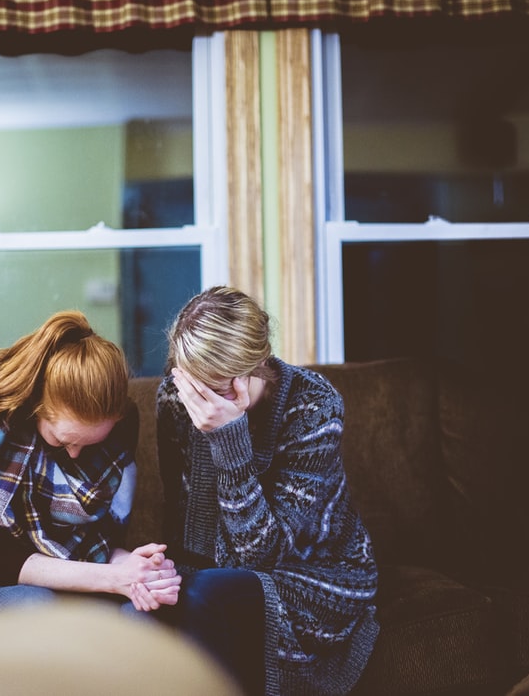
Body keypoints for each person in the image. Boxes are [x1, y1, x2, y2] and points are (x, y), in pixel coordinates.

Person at [156, 286, 379, 696]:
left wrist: (229, 438)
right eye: (193, 385)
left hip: (315, 574)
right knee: (157, 603)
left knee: (208, 596)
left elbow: (260, 557)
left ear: (256, 365)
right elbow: (183, 522)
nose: (200, 403)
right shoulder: (175, 397)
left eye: (216, 388)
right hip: (216, 572)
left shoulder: (313, 406)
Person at [0, 310, 180, 625]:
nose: (76, 455)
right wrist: (115, 579)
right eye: (62, 442)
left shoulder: (122, 424)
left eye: (89, 444)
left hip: (72, 578)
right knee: (39, 609)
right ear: (35, 407)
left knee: (143, 616)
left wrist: (138, 568)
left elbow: (101, 542)